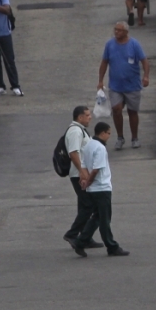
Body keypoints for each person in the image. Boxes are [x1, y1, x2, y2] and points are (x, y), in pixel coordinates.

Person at [72, 122, 129, 257]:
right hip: (102, 188)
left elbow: (84, 165)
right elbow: (96, 169)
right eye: (109, 133)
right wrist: (89, 181)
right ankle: (112, 246)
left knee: (97, 217)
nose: (109, 136)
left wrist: (85, 180)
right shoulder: (100, 148)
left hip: (93, 190)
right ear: (102, 133)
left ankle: (81, 241)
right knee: (104, 219)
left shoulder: (88, 145)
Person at [98, 22, 150, 150]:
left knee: (132, 112)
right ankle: (120, 137)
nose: (116, 32)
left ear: (126, 32)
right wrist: (100, 80)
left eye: (119, 30)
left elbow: (144, 61)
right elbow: (104, 62)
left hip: (132, 86)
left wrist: (146, 76)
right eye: (115, 30)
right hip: (116, 86)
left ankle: (134, 138)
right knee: (116, 109)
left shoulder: (134, 45)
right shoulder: (110, 45)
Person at [62, 106, 104, 251]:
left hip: (81, 172)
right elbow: (73, 153)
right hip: (78, 174)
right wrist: (82, 171)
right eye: (87, 115)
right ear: (80, 117)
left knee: (84, 204)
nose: (90, 117)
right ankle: (73, 234)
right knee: (89, 205)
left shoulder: (80, 130)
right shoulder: (75, 131)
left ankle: (85, 237)